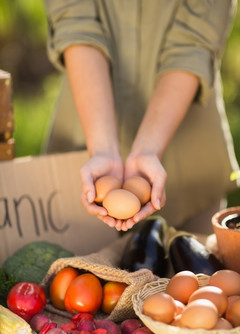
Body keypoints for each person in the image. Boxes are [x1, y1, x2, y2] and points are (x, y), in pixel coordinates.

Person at [43, 0, 239, 234]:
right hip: (84, 137)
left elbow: (194, 41)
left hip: (187, 162)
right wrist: (102, 148)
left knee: (197, 265)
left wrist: (148, 150)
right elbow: (74, 20)